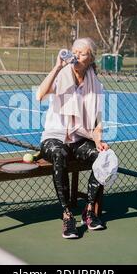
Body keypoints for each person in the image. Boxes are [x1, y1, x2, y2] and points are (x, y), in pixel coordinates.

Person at [36, 38, 109, 239]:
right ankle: (68, 215)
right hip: (53, 138)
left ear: (91, 58)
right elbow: (40, 94)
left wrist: (98, 141)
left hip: (77, 138)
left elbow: (97, 123)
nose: (76, 55)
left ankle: (89, 210)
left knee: (102, 156)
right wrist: (57, 66)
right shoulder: (62, 76)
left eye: (82, 53)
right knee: (59, 154)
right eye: (74, 51)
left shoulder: (96, 86)